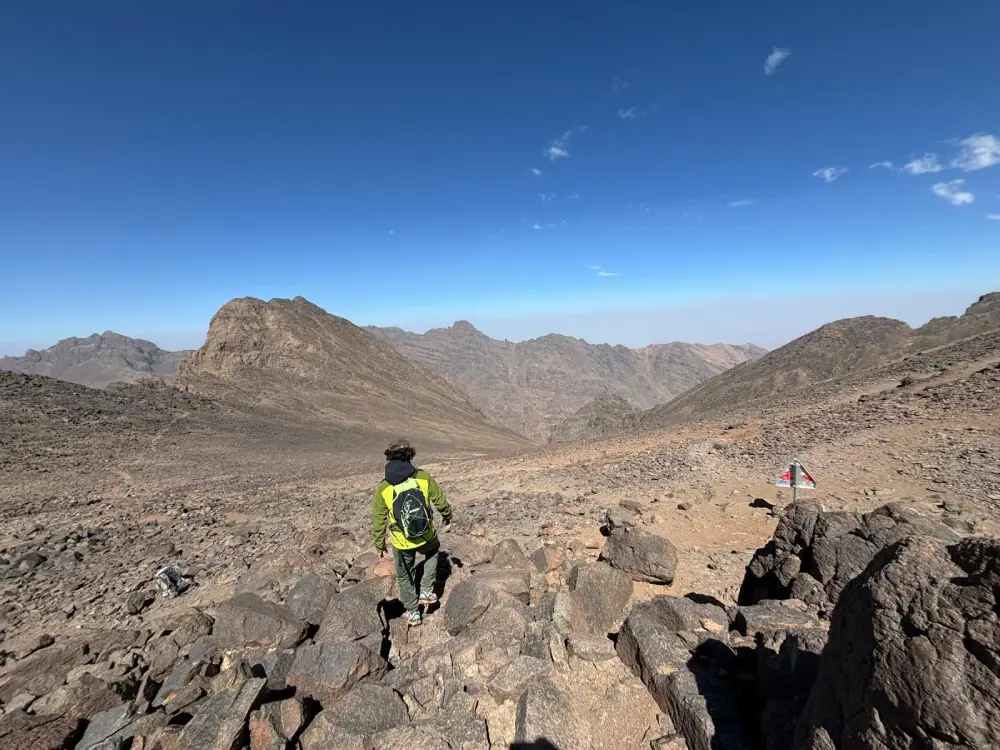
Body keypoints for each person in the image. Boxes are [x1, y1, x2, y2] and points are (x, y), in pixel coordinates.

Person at [371, 439, 452, 626]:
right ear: (410, 457)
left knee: (404, 575)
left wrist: (379, 543)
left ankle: (413, 613)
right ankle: (426, 590)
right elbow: (440, 500)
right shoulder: (423, 477)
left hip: (401, 540)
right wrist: (447, 515)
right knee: (433, 553)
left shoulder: (384, 487)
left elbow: (378, 518)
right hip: (426, 534)